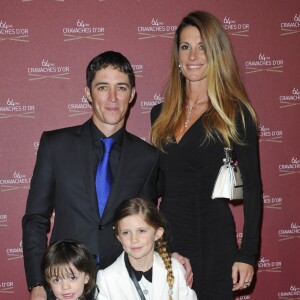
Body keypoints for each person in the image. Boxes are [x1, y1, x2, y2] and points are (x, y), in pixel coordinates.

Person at [22, 51, 160, 300]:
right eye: (102, 87)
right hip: (65, 286)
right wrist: (37, 284)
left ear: (132, 94)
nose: (113, 98)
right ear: (88, 92)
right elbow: (35, 218)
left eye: (121, 87)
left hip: (123, 287)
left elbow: (146, 225)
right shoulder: (55, 145)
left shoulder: (147, 157)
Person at [150, 11, 262, 299]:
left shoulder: (235, 112)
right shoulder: (159, 115)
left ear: (216, 54)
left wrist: (247, 253)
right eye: (185, 47)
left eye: (202, 47)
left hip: (214, 240)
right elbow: (156, 186)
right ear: (177, 56)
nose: (193, 56)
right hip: (168, 240)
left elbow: (252, 187)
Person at [96, 197, 198, 300]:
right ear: (119, 237)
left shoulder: (176, 269)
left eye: (141, 231)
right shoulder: (106, 278)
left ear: (157, 233)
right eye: (126, 232)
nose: (134, 239)